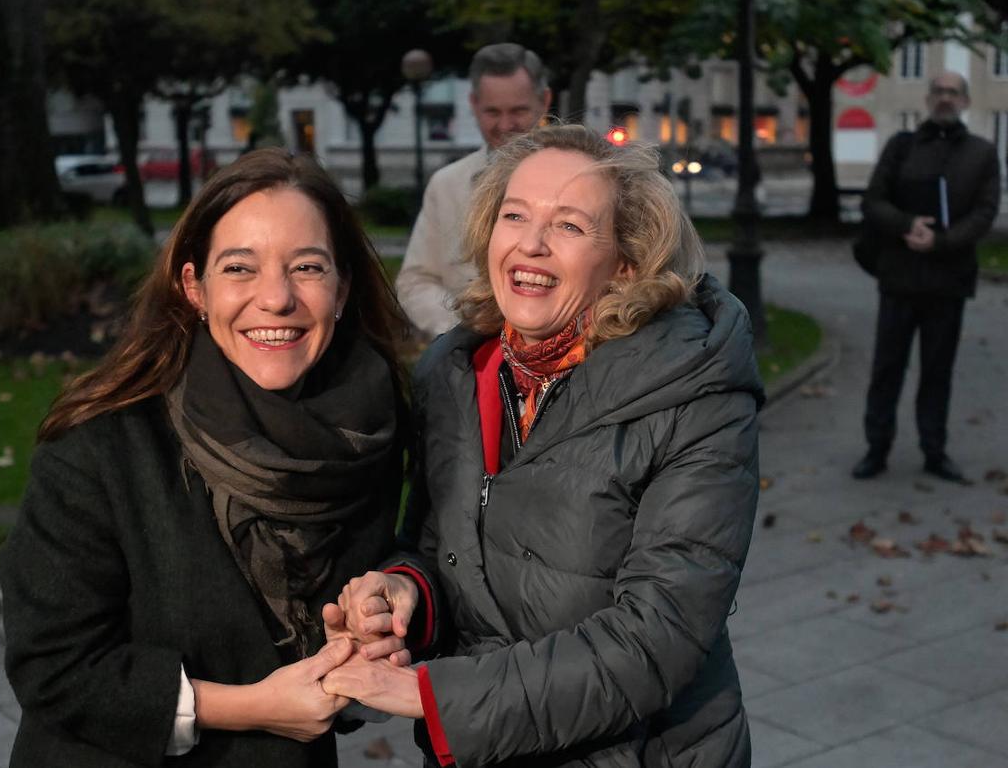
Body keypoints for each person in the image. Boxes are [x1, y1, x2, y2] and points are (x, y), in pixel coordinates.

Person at [322, 125, 763, 767]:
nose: (530, 244)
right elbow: (439, 546)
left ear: (626, 262)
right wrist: (403, 594)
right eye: (514, 216)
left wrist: (435, 697)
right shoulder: (453, 374)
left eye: (570, 227)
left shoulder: (697, 395)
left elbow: (657, 639)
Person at [0, 147, 410, 767]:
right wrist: (251, 706)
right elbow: (53, 666)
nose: (275, 298)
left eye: (306, 267)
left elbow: (341, 674)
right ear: (195, 288)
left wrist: (359, 646)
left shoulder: (368, 434)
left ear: (342, 287)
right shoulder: (101, 445)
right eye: (240, 268)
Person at [852, 71, 1001, 483]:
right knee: (887, 368)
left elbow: (985, 214)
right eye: (938, 91)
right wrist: (907, 224)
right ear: (927, 97)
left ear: (966, 101)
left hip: (947, 280)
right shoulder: (902, 147)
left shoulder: (982, 153)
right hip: (899, 278)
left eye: (953, 92)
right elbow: (872, 201)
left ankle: (934, 449)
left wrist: (940, 241)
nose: (945, 98)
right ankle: (876, 448)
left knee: (938, 371)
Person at [394, 42, 551, 340]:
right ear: (474, 104)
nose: (506, 125)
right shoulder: (446, 185)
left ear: (544, 101)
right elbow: (415, 282)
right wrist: (462, 334)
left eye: (518, 111)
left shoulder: (581, 184)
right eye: (493, 112)